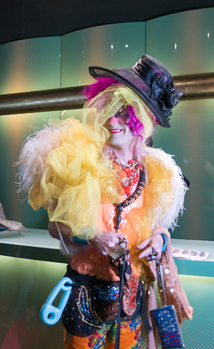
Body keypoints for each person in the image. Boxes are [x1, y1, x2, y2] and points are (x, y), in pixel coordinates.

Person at [17, 55, 193, 349]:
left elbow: (157, 228)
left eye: (125, 113)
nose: (113, 120)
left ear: (143, 121)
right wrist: (92, 236)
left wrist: (159, 244)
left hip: (132, 300)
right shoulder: (80, 162)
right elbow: (56, 227)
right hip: (85, 297)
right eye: (110, 109)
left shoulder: (157, 172)